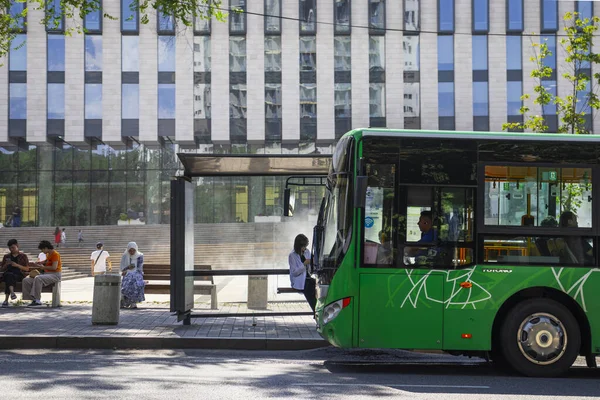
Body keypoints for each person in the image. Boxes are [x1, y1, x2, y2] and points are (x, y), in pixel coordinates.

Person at [22, 240, 62, 307]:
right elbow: (47, 261)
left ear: (46, 248)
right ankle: (32, 299)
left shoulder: (55, 254)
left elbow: (54, 267)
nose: (42, 251)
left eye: (42, 249)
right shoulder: (48, 254)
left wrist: (43, 267)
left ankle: (38, 300)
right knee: (26, 280)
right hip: (46, 274)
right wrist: (39, 263)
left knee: (38, 278)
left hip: (55, 275)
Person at [288, 234, 316, 313]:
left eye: (305, 246)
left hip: (308, 278)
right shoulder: (292, 255)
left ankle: (317, 310)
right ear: (298, 246)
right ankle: (315, 311)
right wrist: (304, 264)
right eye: (303, 246)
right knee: (309, 287)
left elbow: (310, 269)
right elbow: (294, 273)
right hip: (298, 281)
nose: (304, 248)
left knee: (316, 286)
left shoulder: (307, 252)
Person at [0, 239, 29, 307]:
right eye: (10, 248)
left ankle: (6, 300)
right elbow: (2, 269)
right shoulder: (6, 256)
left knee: (9, 277)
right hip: (7, 274)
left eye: (13, 247)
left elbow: (27, 268)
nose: (11, 249)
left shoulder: (23, 256)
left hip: (18, 275)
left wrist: (17, 265)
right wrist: (6, 265)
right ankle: (12, 293)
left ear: (17, 246)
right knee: (9, 275)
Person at [120, 242, 145, 309]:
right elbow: (122, 268)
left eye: (133, 250)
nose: (132, 252)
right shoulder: (125, 256)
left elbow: (140, 267)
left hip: (137, 273)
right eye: (130, 250)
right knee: (127, 281)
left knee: (134, 281)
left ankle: (133, 302)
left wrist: (134, 272)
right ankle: (124, 301)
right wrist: (127, 268)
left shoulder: (139, 256)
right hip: (128, 272)